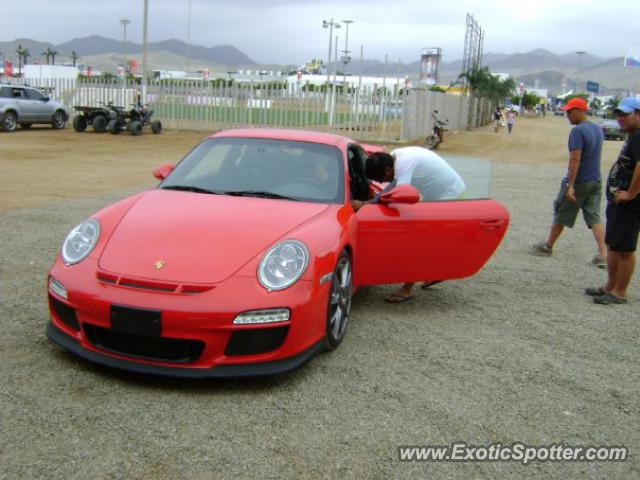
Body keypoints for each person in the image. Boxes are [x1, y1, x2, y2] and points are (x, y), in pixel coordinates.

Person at [352, 147, 465, 303]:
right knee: (429, 239)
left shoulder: (403, 164)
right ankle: (436, 272)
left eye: (383, 179)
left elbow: (397, 196)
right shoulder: (395, 157)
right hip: (441, 194)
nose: (385, 182)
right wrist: (370, 202)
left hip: (450, 196)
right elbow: (392, 187)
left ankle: (407, 289)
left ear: (387, 170)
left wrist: (364, 204)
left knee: (417, 239)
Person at [530, 97, 607, 267]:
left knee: (562, 211)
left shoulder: (577, 132)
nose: (567, 115)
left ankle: (548, 245)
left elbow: (575, 159)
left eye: (570, 111)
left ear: (581, 111)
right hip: (595, 180)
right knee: (594, 216)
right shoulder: (597, 129)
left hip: (580, 181)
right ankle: (603, 254)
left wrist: (570, 185)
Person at [586, 97, 640, 305]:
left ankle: (620, 291)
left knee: (625, 248)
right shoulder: (633, 136)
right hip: (619, 202)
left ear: (638, 114)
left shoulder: (638, 137)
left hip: (629, 203)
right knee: (614, 244)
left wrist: (631, 193)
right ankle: (610, 286)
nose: (620, 118)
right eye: (618, 114)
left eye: (625, 114)